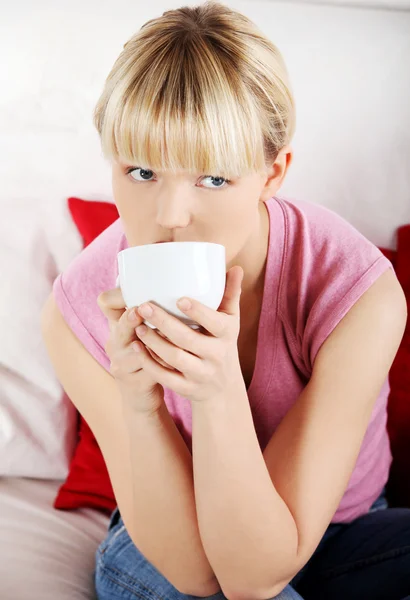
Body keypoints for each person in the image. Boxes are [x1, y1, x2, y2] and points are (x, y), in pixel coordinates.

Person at [41, 2, 409, 599]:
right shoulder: (76, 312)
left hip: (346, 530)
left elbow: (262, 569)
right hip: (168, 543)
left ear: (272, 173)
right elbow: (209, 577)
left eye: (213, 178)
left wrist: (219, 394)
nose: (169, 216)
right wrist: (142, 408)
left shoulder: (357, 292)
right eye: (140, 172)